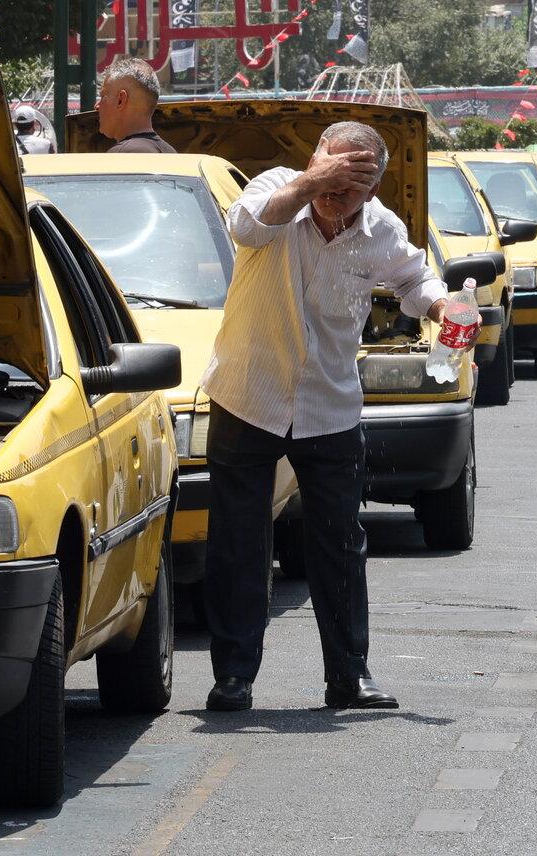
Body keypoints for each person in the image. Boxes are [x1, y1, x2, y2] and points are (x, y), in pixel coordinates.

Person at [200, 121, 474, 712]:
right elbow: (246, 227)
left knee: (340, 542)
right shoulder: (277, 189)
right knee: (238, 541)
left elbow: (411, 277)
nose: (334, 195)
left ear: (373, 187)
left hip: (329, 403)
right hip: (249, 392)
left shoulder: (380, 229)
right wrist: (309, 182)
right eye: (330, 174)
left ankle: (349, 676)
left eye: (350, 185)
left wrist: (442, 304)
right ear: (314, 158)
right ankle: (233, 677)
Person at [97, 57, 175, 153]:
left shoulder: (122, 154)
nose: (97, 105)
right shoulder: (171, 152)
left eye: (103, 96)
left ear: (121, 100)